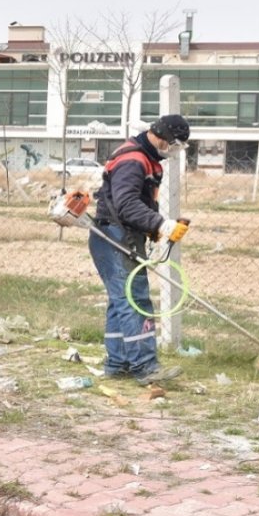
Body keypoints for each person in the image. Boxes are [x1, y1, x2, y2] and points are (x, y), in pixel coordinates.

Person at [90, 115, 190, 385]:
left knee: (119, 301)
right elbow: (126, 205)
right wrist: (162, 224)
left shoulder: (146, 158)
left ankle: (118, 363)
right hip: (114, 236)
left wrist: (154, 230)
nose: (174, 150)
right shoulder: (134, 160)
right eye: (174, 144)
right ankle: (145, 367)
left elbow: (137, 204)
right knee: (134, 300)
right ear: (159, 136)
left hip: (118, 234)